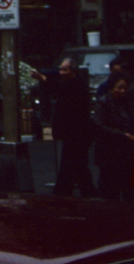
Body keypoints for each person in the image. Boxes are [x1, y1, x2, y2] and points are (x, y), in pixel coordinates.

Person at [32, 57, 96, 196]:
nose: (61, 72)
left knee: (72, 164)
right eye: (61, 69)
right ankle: (81, 192)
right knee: (77, 165)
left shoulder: (75, 85)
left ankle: (67, 192)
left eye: (65, 69)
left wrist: (42, 77)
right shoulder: (72, 83)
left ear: (73, 71)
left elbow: (58, 88)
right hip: (73, 133)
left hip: (76, 132)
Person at [92, 75, 134, 202]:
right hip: (109, 151)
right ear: (111, 88)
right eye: (119, 88)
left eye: (125, 88)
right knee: (110, 188)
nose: (123, 91)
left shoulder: (129, 103)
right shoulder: (103, 103)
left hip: (126, 151)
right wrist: (122, 134)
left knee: (128, 186)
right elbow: (100, 125)